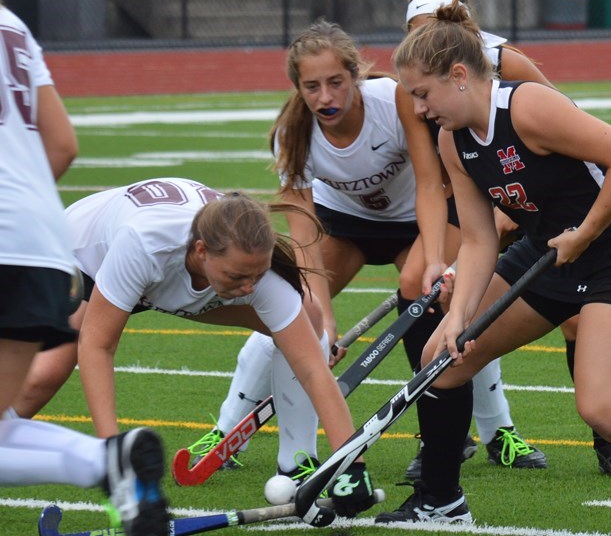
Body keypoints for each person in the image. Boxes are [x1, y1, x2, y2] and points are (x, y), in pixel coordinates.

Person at [186, 17, 545, 481]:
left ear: (355, 75)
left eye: (336, 82)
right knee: (293, 308)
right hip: (349, 224)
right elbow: (303, 233)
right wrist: (324, 317)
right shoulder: (292, 136)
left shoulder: (392, 100)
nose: (326, 97)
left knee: (439, 293)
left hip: (421, 213)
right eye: (312, 87)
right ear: (297, 87)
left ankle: (494, 433)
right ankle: (225, 431)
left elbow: (428, 183)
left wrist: (434, 260)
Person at [379, 1, 611, 524]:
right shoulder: (454, 141)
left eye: (423, 94)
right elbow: (476, 241)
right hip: (546, 253)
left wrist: (585, 233)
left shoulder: (527, 106)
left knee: (602, 408)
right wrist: (458, 318)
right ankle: (440, 501)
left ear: (458, 76)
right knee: (442, 360)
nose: (422, 110)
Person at [21, 177, 378, 518]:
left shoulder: (250, 274)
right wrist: (114, 456)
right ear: (202, 250)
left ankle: (296, 463)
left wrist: (351, 464)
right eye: (239, 277)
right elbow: (97, 346)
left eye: (257, 275)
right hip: (81, 258)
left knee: (308, 317)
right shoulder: (144, 245)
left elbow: (314, 370)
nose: (250, 287)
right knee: (45, 375)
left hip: (173, 277)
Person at [0, 4, 170, 536]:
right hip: (40, 242)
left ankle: (101, 463)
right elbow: (62, 145)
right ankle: (108, 461)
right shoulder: (12, 22)